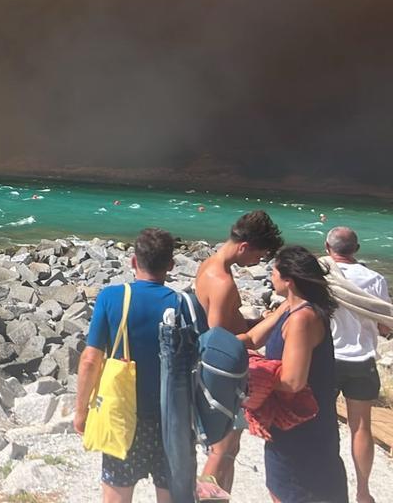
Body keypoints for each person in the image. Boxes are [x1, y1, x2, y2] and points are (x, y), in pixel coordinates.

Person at [75, 227, 181, 503]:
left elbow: (90, 360)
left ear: (133, 261)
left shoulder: (112, 297)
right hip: (172, 419)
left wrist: (81, 412)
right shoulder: (182, 304)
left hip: (123, 415)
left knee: (117, 495)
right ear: (170, 265)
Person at [238, 246, 347, 502]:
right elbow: (253, 338)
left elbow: (292, 380)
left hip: (303, 428)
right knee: (281, 487)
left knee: (298, 492)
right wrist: (214, 345)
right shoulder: (289, 306)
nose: (270, 276)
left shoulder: (302, 318)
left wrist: (250, 374)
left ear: (289, 279)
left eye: (274, 271)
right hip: (285, 424)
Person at [194, 210, 282, 495]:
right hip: (224, 373)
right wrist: (273, 320)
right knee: (221, 449)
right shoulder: (222, 282)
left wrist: (252, 322)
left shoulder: (209, 265)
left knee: (229, 449)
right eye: (259, 255)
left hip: (219, 369)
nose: (258, 261)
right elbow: (219, 341)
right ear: (244, 246)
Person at [324, 227, 390, 503]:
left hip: (328, 359)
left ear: (328, 248)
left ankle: (325, 484)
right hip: (363, 361)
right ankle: (363, 491)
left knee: (324, 423)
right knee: (361, 427)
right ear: (357, 249)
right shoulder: (375, 279)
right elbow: (385, 323)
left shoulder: (321, 276)